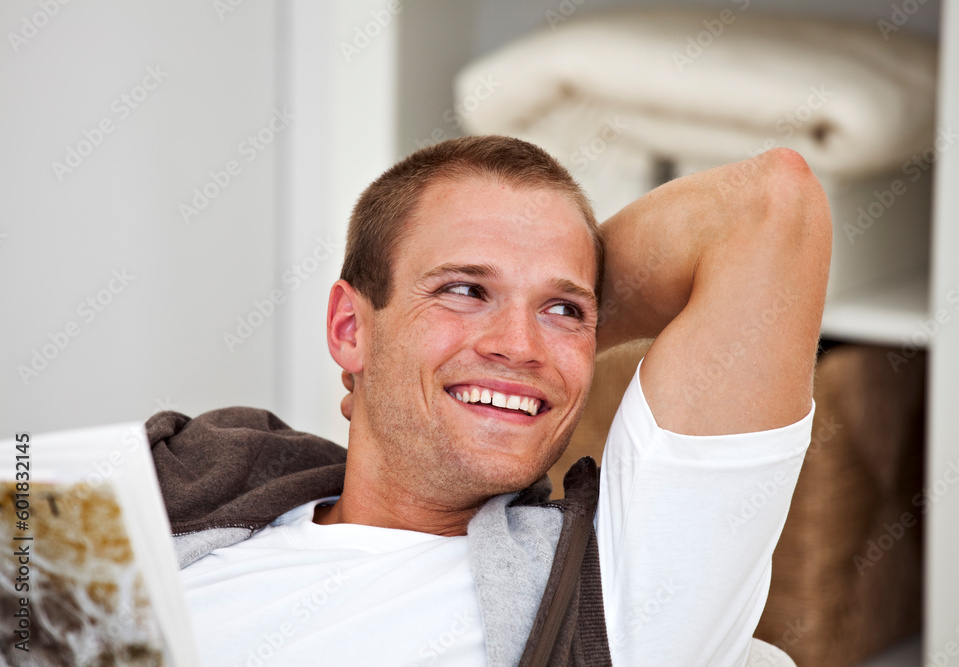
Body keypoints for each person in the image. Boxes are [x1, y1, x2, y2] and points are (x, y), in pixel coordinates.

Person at [170, 135, 831, 666]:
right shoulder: (192, 477)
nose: (519, 344)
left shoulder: (615, 594)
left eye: (564, 308)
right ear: (350, 329)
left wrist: (526, 359)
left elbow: (768, 206)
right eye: (465, 290)